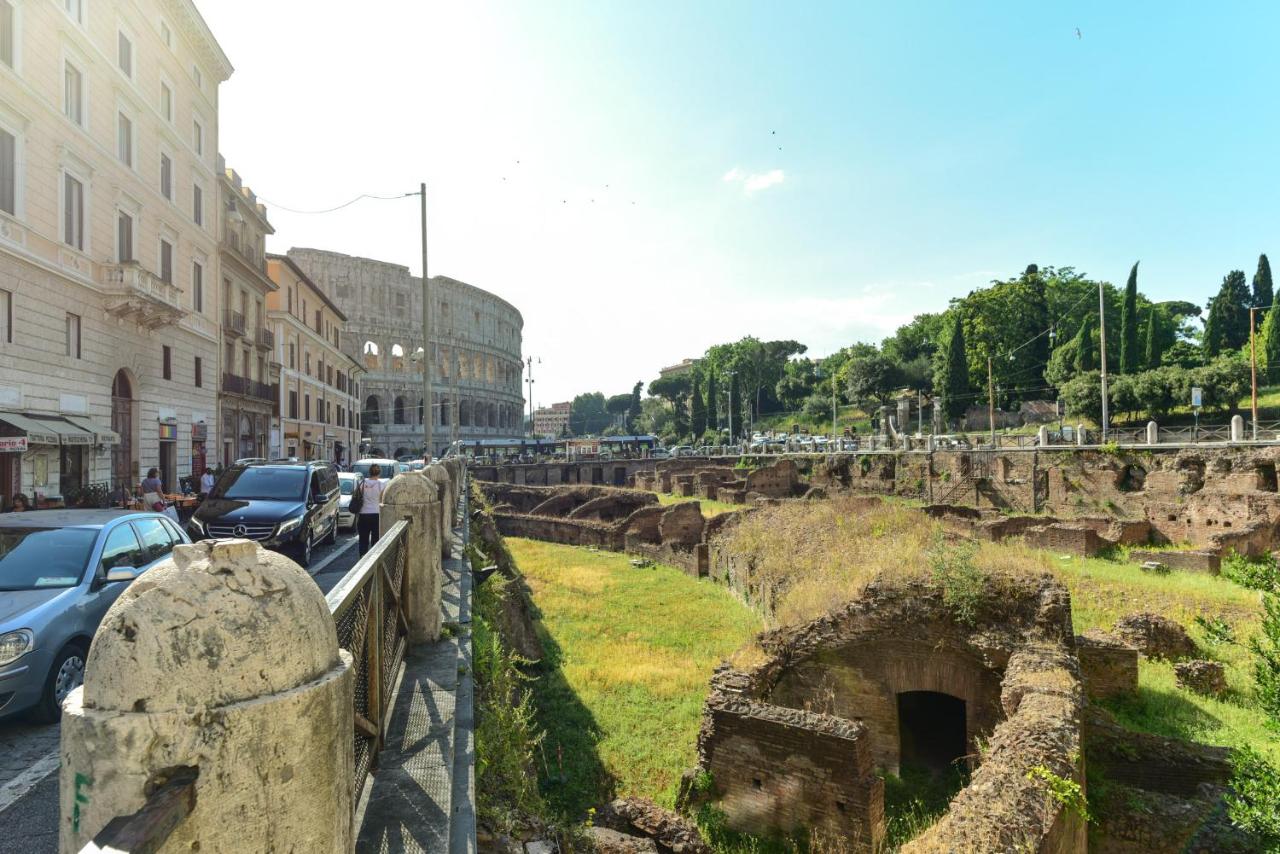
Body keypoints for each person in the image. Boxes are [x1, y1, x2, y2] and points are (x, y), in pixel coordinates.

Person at [357, 463, 386, 556]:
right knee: (376, 539)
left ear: (369, 472)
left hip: (364, 514)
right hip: (376, 514)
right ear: (379, 473)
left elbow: (357, 497)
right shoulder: (382, 485)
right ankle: (374, 559)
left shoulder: (362, 483)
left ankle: (362, 558)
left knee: (363, 539)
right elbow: (382, 500)